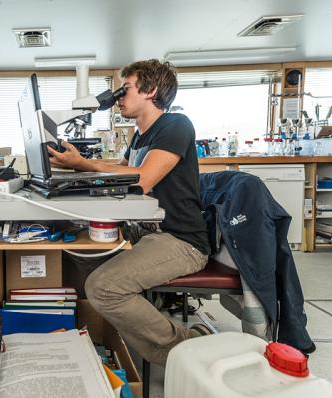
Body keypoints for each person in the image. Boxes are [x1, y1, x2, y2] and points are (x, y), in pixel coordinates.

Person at [48, 59, 211, 366]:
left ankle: (187, 349)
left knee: (103, 287)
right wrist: (79, 164)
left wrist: (83, 166)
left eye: (126, 89)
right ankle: (100, 332)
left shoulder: (176, 125)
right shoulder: (140, 135)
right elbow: (123, 169)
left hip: (180, 241)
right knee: (75, 252)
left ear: (150, 90)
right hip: (146, 234)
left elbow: (143, 178)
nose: (119, 97)